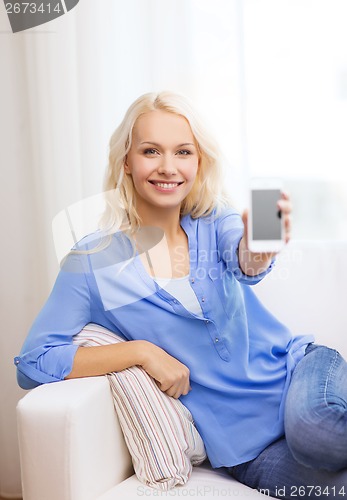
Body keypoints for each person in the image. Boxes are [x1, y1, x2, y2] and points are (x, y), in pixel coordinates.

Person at [15, 91, 347, 497]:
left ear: (198, 162)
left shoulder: (214, 219)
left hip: (302, 377)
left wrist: (259, 253)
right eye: (151, 151)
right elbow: (33, 362)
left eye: (183, 152)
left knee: (315, 432)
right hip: (248, 450)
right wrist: (141, 352)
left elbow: (245, 258)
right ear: (126, 161)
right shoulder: (91, 262)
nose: (168, 167)